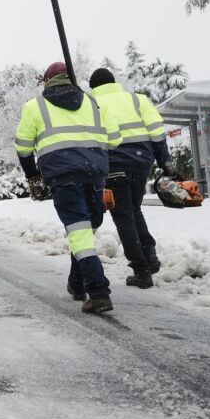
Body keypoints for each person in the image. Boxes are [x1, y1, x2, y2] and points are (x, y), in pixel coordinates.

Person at [15, 62, 122, 314]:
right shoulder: (94, 103)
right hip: (94, 173)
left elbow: (23, 147)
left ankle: (98, 291)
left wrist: (32, 175)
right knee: (84, 229)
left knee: (80, 231)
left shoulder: (35, 106)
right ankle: (77, 282)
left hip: (63, 176)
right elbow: (115, 140)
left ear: (46, 81)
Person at [89, 67, 170, 288]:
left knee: (123, 215)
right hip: (141, 161)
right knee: (134, 209)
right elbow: (157, 132)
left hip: (113, 163)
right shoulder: (137, 99)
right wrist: (165, 161)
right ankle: (149, 255)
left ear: (93, 87)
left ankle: (141, 271)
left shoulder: (92, 104)